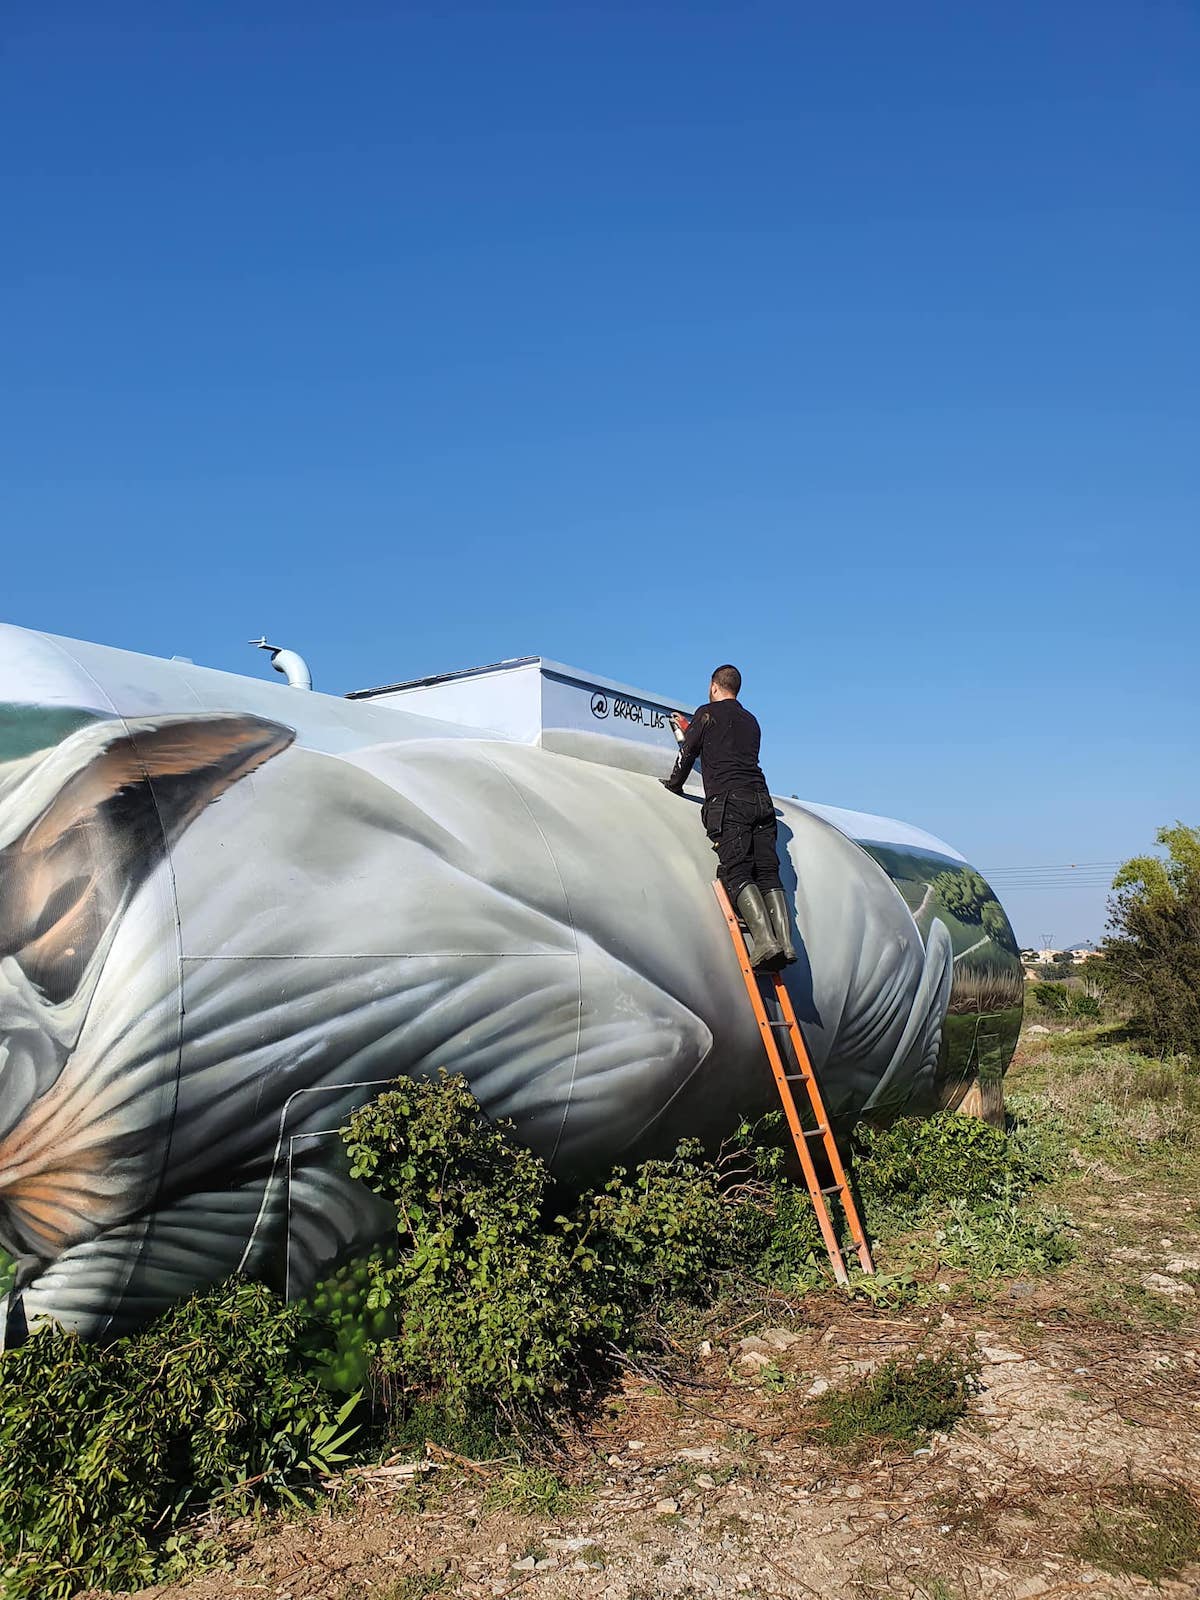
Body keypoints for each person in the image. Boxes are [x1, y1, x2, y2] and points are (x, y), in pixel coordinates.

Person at [660, 664, 797, 971]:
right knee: (767, 872)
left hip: (730, 802)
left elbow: (688, 755)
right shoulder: (751, 721)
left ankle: (765, 942)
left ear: (714, 686)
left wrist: (674, 784)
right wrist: (693, 726)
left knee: (737, 871)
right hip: (762, 800)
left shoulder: (706, 714)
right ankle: (786, 943)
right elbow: (726, 748)